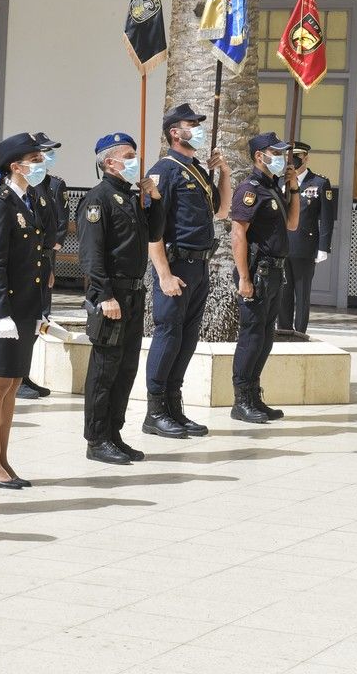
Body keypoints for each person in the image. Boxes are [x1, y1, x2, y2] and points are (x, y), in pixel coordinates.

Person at [144, 103, 232, 439]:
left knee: (187, 338)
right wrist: (164, 274)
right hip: (176, 265)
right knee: (168, 336)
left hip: (199, 265)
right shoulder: (164, 170)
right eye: (189, 123)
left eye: (197, 123)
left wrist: (223, 172)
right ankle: (154, 412)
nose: (196, 128)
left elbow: (222, 211)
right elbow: (154, 229)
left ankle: (174, 406)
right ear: (173, 131)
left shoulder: (195, 168)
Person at [78, 133, 164, 465]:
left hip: (133, 292)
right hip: (112, 294)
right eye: (129, 156)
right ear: (110, 162)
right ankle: (97, 438)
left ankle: (114, 433)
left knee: (126, 368)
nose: (135, 161)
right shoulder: (98, 199)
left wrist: (154, 199)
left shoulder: (130, 197)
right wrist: (103, 295)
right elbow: (91, 254)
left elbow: (155, 234)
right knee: (104, 369)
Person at [0, 133, 48, 489]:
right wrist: (1, 311)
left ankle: (2, 457)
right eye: (35, 160)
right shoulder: (1, 203)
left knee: (13, 383)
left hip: (24, 307)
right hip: (5, 310)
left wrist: (38, 309)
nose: (41, 165)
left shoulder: (28, 199)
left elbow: (35, 260)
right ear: (16, 165)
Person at [231, 132, 300, 422]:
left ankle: (254, 396)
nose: (283, 158)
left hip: (275, 271)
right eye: (276, 153)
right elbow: (238, 234)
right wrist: (244, 278)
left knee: (265, 338)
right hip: (257, 272)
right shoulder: (250, 189)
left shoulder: (273, 188)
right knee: (252, 336)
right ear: (261, 156)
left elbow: (293, 224)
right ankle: (241, 400)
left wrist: (293, 188)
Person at [17, 132, 66, 401]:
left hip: (44, 258)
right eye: (41, 153)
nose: (46, 157)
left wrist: (48, 260)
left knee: (39, 318)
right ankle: (18, 376)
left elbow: (58, 226)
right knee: (24, 320)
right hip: (27, 262)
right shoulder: (20, 188)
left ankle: (23, 373)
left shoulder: (54, 185)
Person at [278, 141, 335, 337]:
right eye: (291, 156)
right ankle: (284, 330)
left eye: (298, 156)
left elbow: (327, 218)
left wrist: (323, 247)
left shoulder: (319, 183)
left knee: (302, 293)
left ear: (306, 158)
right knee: (283, 292)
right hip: (282, 246)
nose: (293, 160)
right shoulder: (280, 181)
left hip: (305, 246)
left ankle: (300, 332)